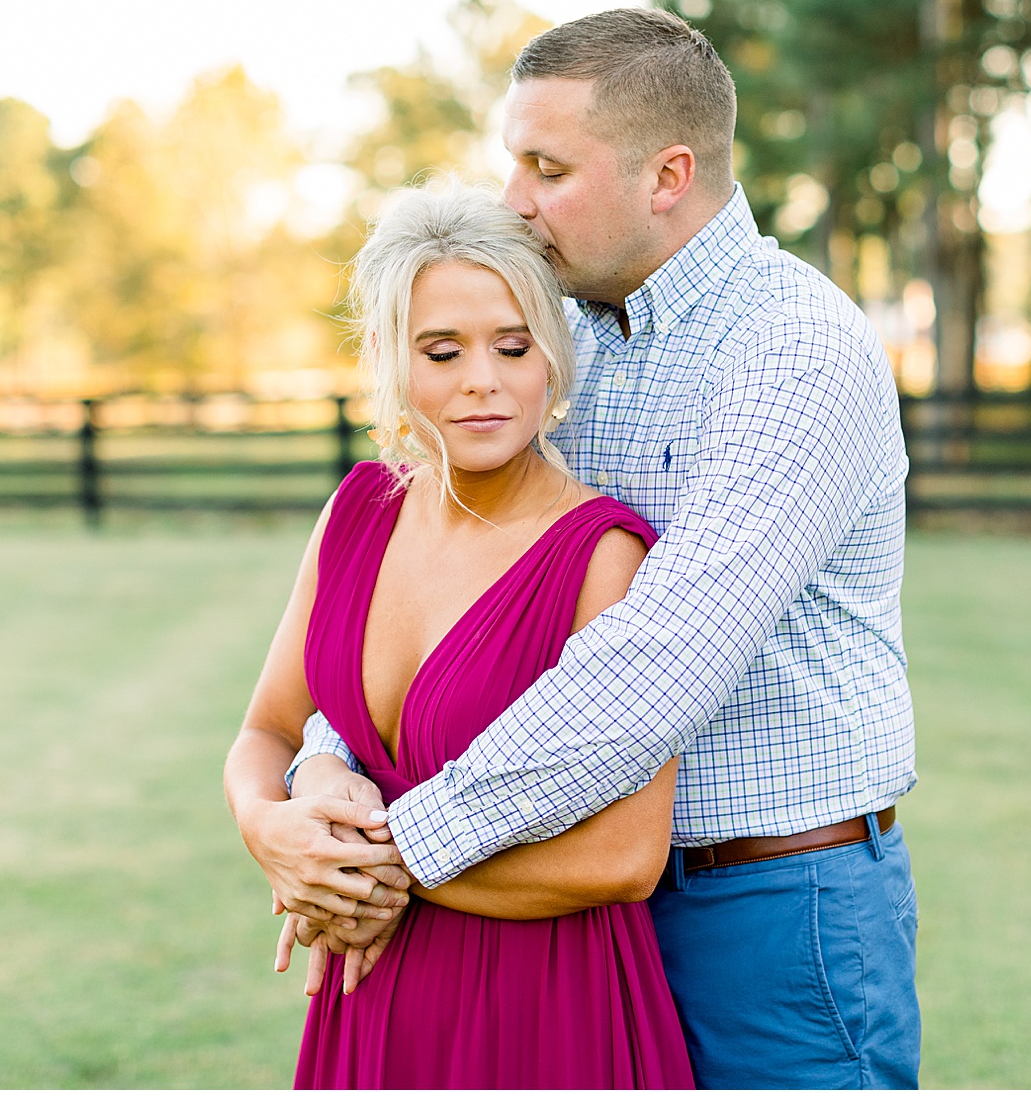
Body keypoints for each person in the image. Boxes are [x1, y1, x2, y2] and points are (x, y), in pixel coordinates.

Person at [262, 7, 921, 1089]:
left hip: (769, 907)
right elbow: (443, 594)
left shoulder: (794, 352)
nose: (515, 198)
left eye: (546, 167)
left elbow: (653, 665)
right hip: (554, 899)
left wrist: (393, 852)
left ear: (667, 176)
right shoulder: (558, 344)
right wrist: (327, 758)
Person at [223, 181, 695, 1088]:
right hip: (371, 991)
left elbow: (628, 858)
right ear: (394, 363)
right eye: (443, 350)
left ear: (551, 360)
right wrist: (268, 827)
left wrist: (369, 876)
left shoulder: (602, 557)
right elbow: (269, 730)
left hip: (546, 1001)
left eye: (513, 346)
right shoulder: (357, 512)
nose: (484, 379)